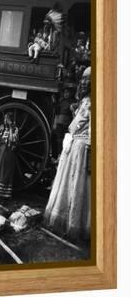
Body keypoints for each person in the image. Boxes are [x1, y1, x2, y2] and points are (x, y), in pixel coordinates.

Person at [44, 67, 91, 241]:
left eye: (88, 79)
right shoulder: (84, 100)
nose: (84, 82)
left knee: (77, 185)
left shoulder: (95, 101)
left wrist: (90, 147)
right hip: (73, 144)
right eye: (83, 79)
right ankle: (63, 218)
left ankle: (74, 223)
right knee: (66, 183)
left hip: (82, 146)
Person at [0, 112, 19, 199]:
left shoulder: (15, 129)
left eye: (7, 119)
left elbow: (13, 140)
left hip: (8, 152)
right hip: (0, 151)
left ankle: (2, 194)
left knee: (5, 171)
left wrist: (10, 128)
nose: (5, 121)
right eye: (5, 119)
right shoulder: (2, 128)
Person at [51, 87, 76, 158]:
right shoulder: (61, 102)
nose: (66, 94)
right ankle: (58, 155)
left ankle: (64, 156)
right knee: (59, 139)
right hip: (60, 123)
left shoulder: (73, 102)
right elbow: (57, 111)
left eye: (68, 93)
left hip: (67, 124)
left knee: (66, 140)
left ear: (71, 93)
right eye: (65, 93)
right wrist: (54, 102)